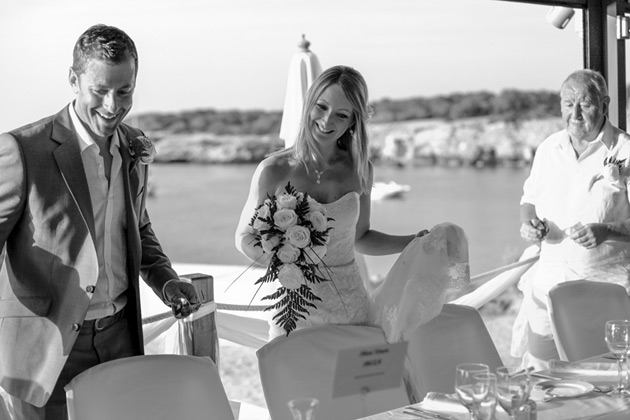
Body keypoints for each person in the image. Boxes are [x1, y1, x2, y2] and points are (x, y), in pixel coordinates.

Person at [0, 24, 200, 419]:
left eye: (124, 91)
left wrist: (165, 278)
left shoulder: (135, 145)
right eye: (100, 91)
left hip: (120, 340)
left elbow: (138, 227)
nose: (113, 106)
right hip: (46, 352)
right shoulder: (22, 149)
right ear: (73, 80)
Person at [234, 65, 469, 344]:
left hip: (351, 308)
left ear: (353, 122)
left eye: (341, 114)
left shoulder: (360, 169)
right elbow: (243, 237)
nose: (326, 120)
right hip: (294, 311)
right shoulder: (273, 170)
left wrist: (413, 241)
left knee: (360, 386)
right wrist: (282, 260)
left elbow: (361, 238)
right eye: (321, 107)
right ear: (309, 104)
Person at [515, 68, 630, 370]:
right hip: (546, 289)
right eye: (568, 104)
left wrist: (607, 231)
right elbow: (529, 200)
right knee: (543, 379)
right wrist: (529, 223)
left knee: (601, 380)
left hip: (602, 293)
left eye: (585, 104)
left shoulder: (626, 150)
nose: (575, 114)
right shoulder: (547, 149)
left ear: (605, 105)